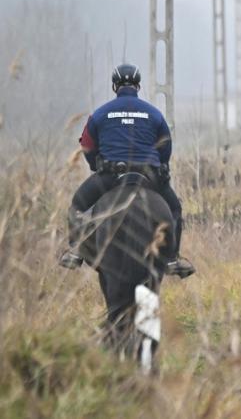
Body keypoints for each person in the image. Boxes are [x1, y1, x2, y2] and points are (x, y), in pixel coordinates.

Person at [59, 64, 194, 277]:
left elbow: (87, 145)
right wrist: (161, 170)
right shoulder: (154, 114)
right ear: (138, 86)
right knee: (175, 209)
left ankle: (76, 251)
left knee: (77, 205)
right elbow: (165, 148)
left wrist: (96, 165)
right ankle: (173, 259)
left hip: (111, 177)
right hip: (149, 177)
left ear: (114, 86)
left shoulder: (100, 115)